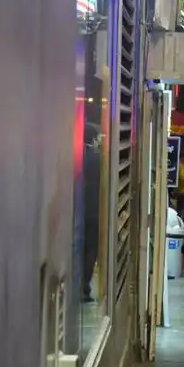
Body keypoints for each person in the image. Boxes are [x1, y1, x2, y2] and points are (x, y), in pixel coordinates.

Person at [82, 122, 102, 304]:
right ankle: (84, 285)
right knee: (90, 250)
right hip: (94, 212)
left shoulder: (71, 156)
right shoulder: (99, 159)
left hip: (75, 213)